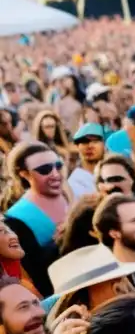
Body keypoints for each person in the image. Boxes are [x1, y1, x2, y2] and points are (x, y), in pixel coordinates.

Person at [3, 142, 69, 297]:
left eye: (58, 166)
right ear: (24, 174)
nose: (55, 174)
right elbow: (33, 271)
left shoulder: (69, 195)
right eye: (44, 170)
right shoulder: (15, 219)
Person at [67, 122, 106, 199]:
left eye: (95, 141)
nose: (90, 146)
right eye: (84, 142)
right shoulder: (73, 182)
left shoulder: (112, 174)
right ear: (77, 147)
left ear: (104, 145)